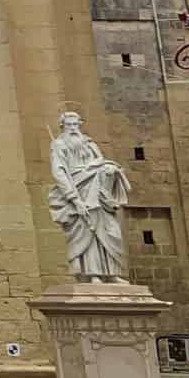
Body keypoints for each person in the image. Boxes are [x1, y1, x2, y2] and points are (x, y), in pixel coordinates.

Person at [48, 111, 131, 282]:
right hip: (78, 189)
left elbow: (100, 160)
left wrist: (109, 169)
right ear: (62, 126)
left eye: (75, 124)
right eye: (69, 125)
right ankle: (93, 275)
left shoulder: (89, 143)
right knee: (87, 231)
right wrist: (74, 199)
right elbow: (60, 172)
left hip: (99, 192)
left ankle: (111, 274)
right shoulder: (59, 145)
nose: (73, 128)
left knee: (110, 230)